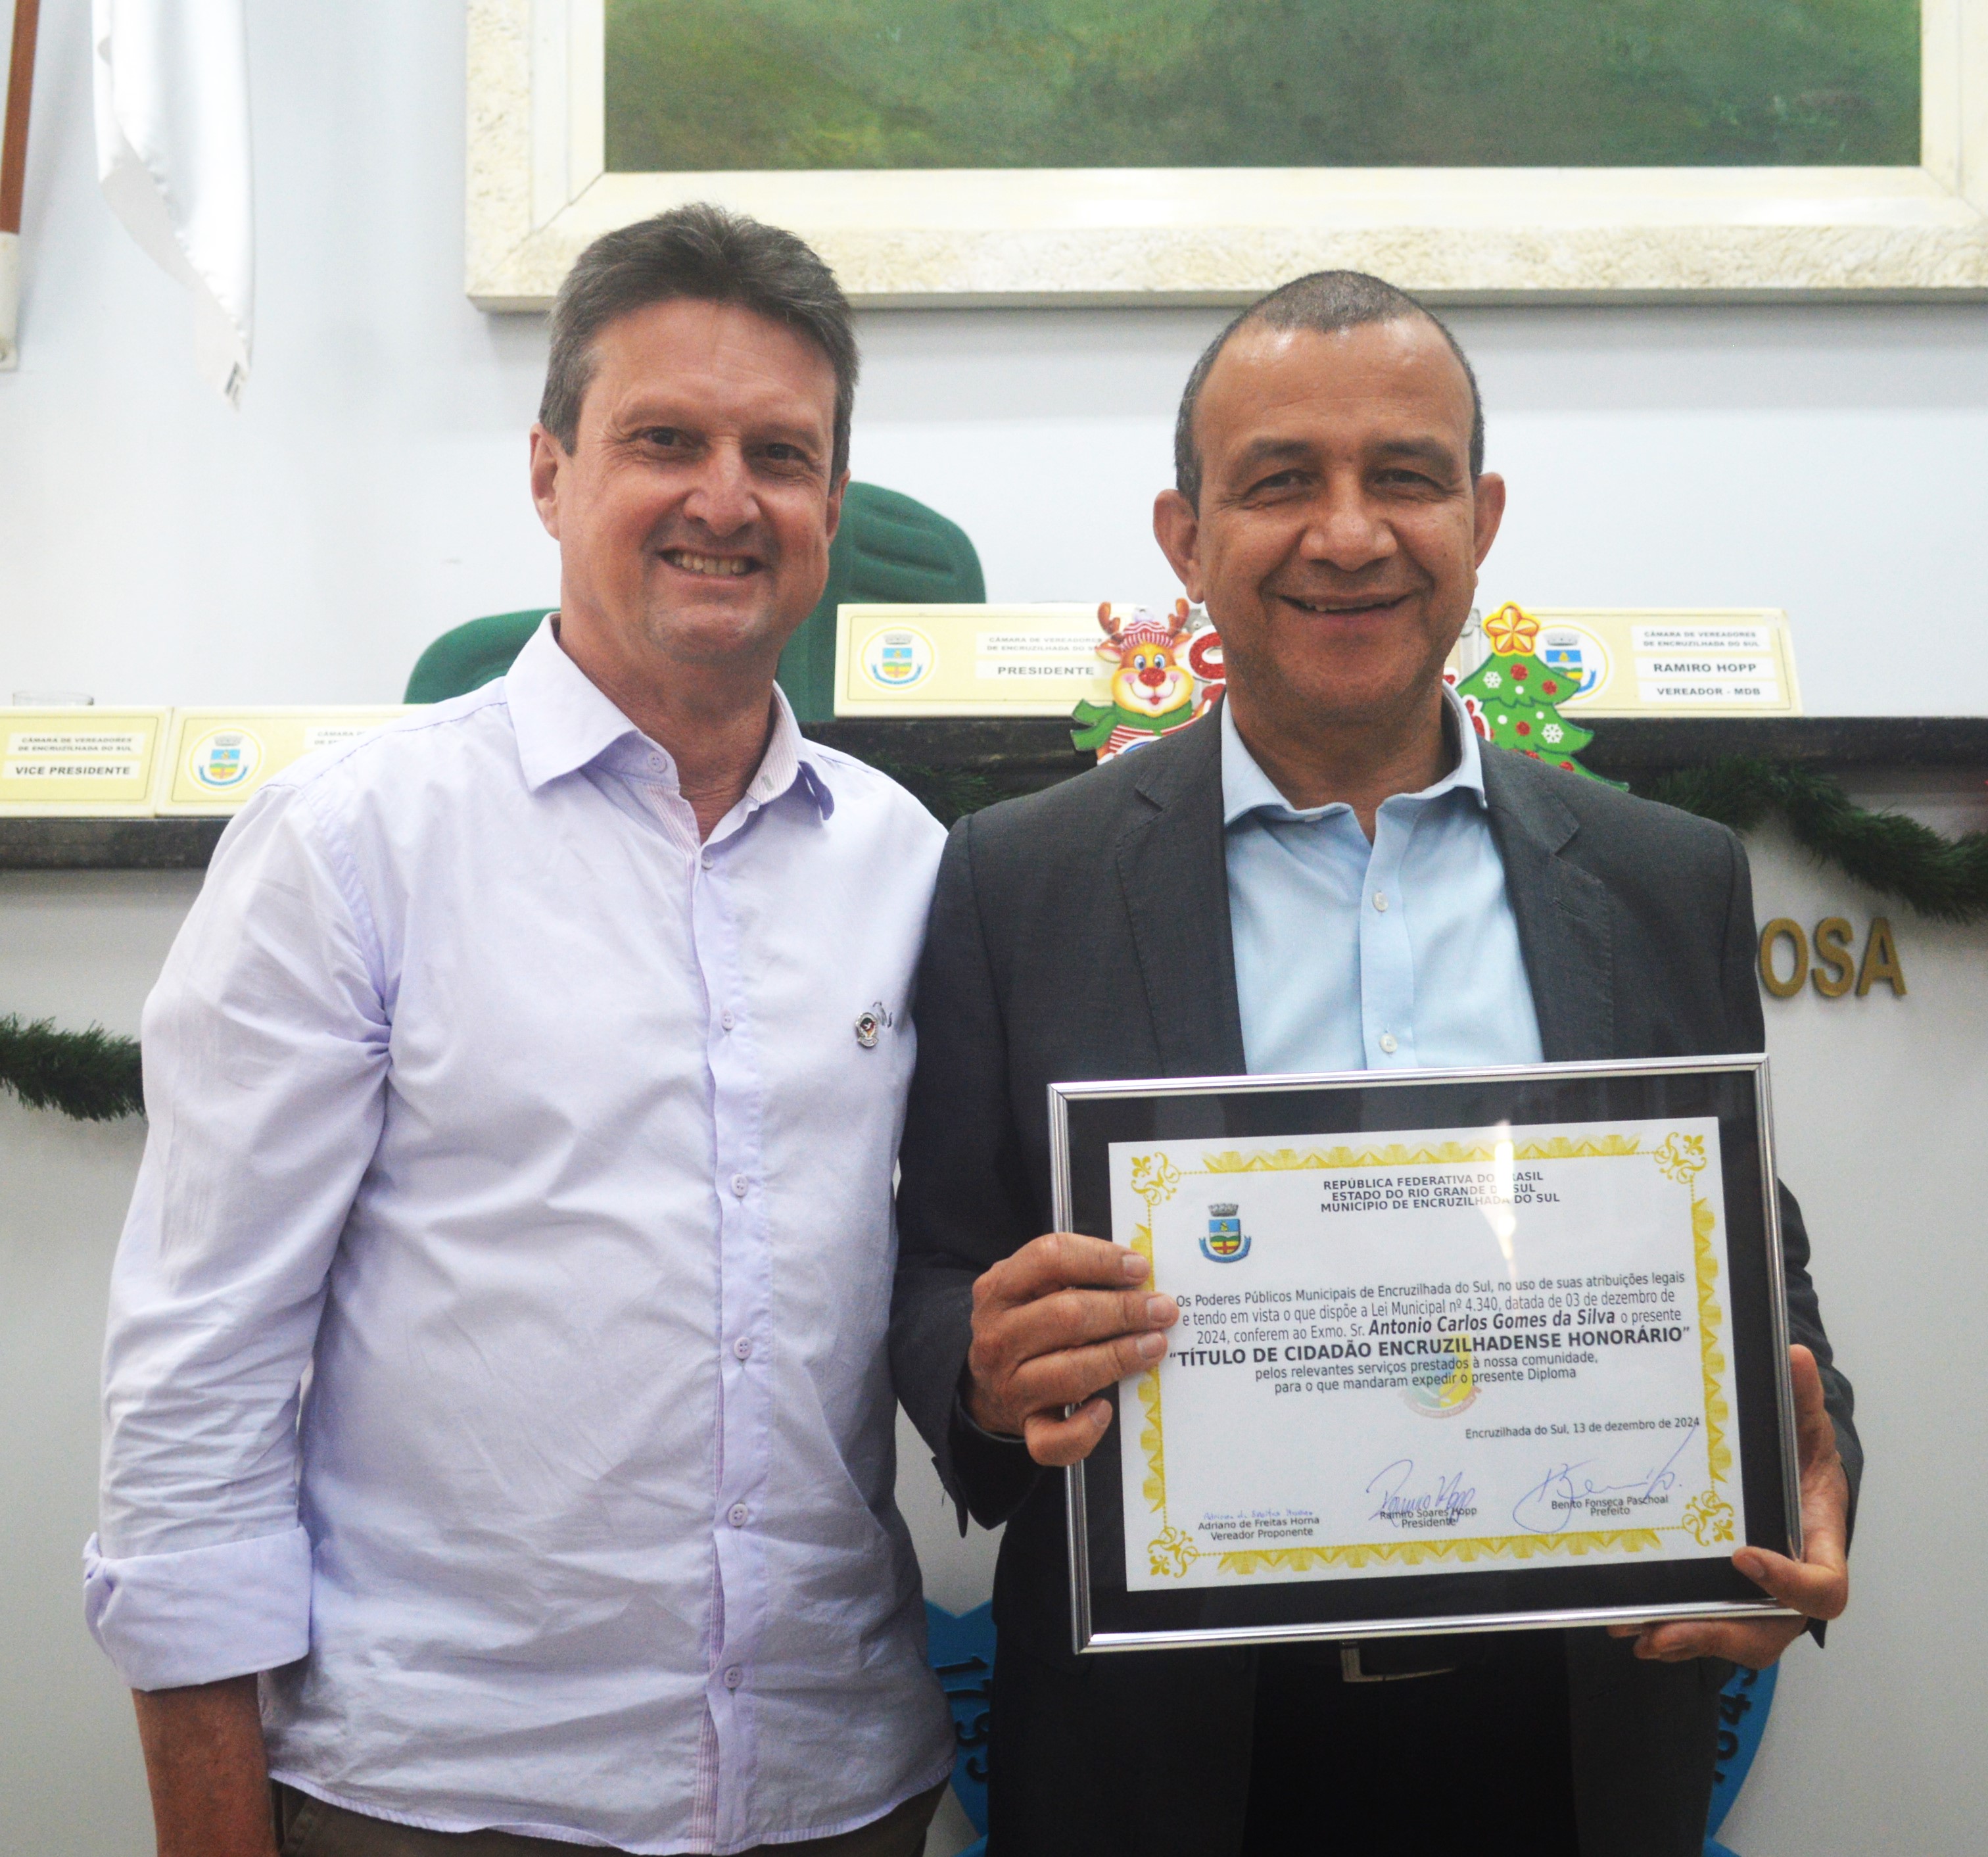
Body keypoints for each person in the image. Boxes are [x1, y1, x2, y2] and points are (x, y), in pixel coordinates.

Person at [890, 270, 1859, 1857]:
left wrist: (1818, 1477)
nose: (1348, 534)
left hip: (1572, 1742)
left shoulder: (1662, 875)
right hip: (1165, 1764)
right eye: (1281, 481)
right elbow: (936, 1262)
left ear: (1481, 518)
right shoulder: (1018, 878)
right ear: (1185, 535)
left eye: (1404, 476)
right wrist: (988, 1370)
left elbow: (1757, 1259)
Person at [87, 205, 954, 1857]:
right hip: (441, 1793)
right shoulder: (354, 844)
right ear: (550, 473)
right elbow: (199, 1375)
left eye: (780, 453)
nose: (726, 498)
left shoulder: (902, 860)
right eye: (665, 440)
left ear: (832, 506)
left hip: (834, 1787)